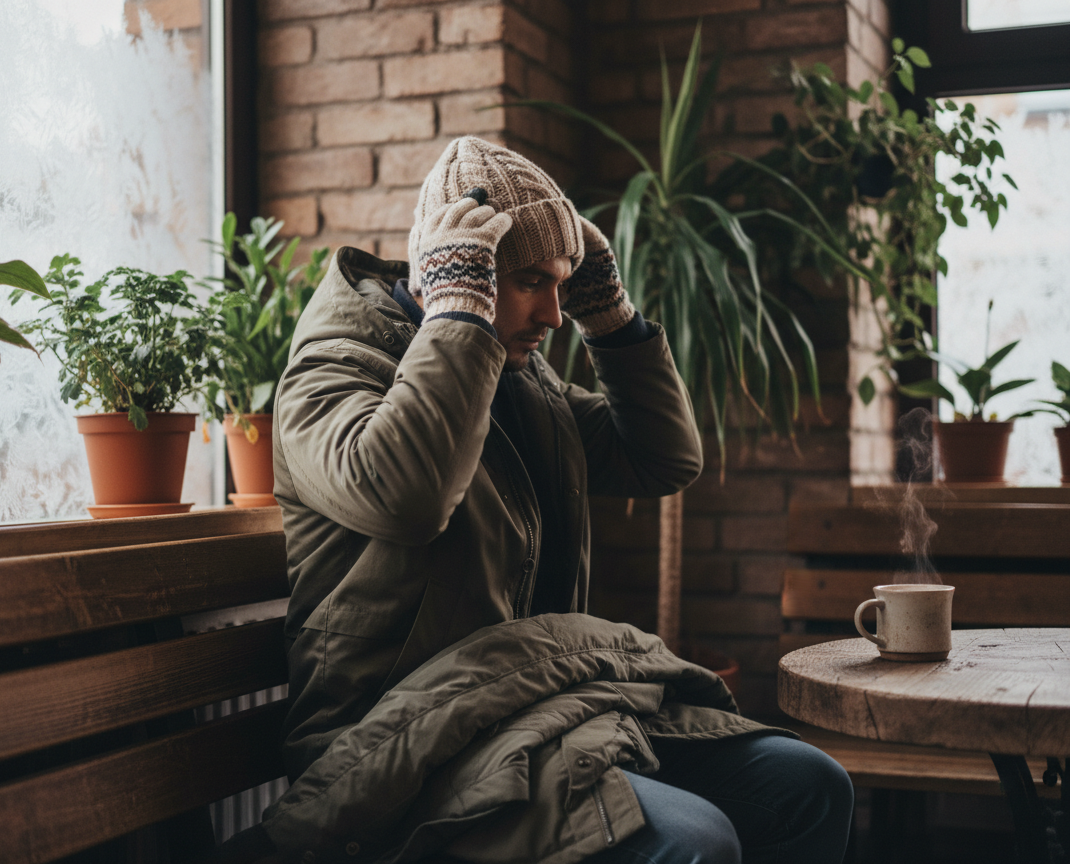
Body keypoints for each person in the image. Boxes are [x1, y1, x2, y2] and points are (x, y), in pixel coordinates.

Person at [227, 137, 852, 864]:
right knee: (693, 843)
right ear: (451, 273)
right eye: (531, 282)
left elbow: (662, 459)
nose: (555, 315)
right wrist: (460, 319)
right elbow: (407, 497)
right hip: (397, 740)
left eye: (563, 284)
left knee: (811, 785)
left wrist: (609, 315)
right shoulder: (334, 370)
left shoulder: (520, 382)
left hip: (532, 710)